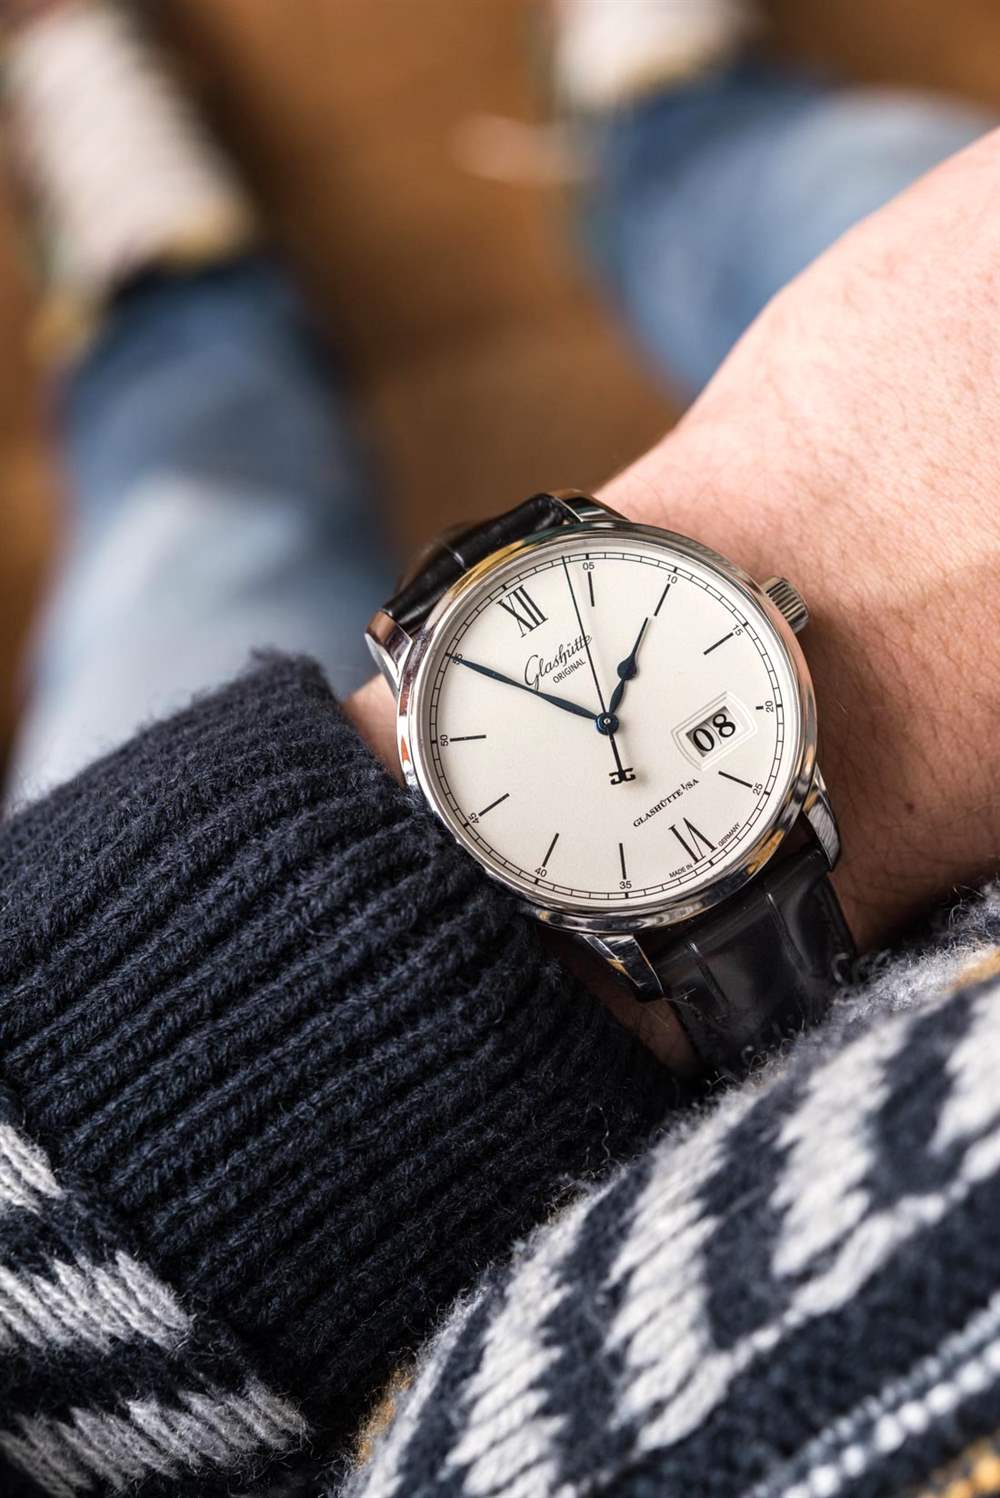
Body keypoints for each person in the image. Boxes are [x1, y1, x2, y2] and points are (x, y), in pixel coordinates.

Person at [0, 1, 997, 1495]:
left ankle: (180, 309)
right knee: (861, 193)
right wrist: (799, 506)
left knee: (196, 528)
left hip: (152, 1080)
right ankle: (675, 122)